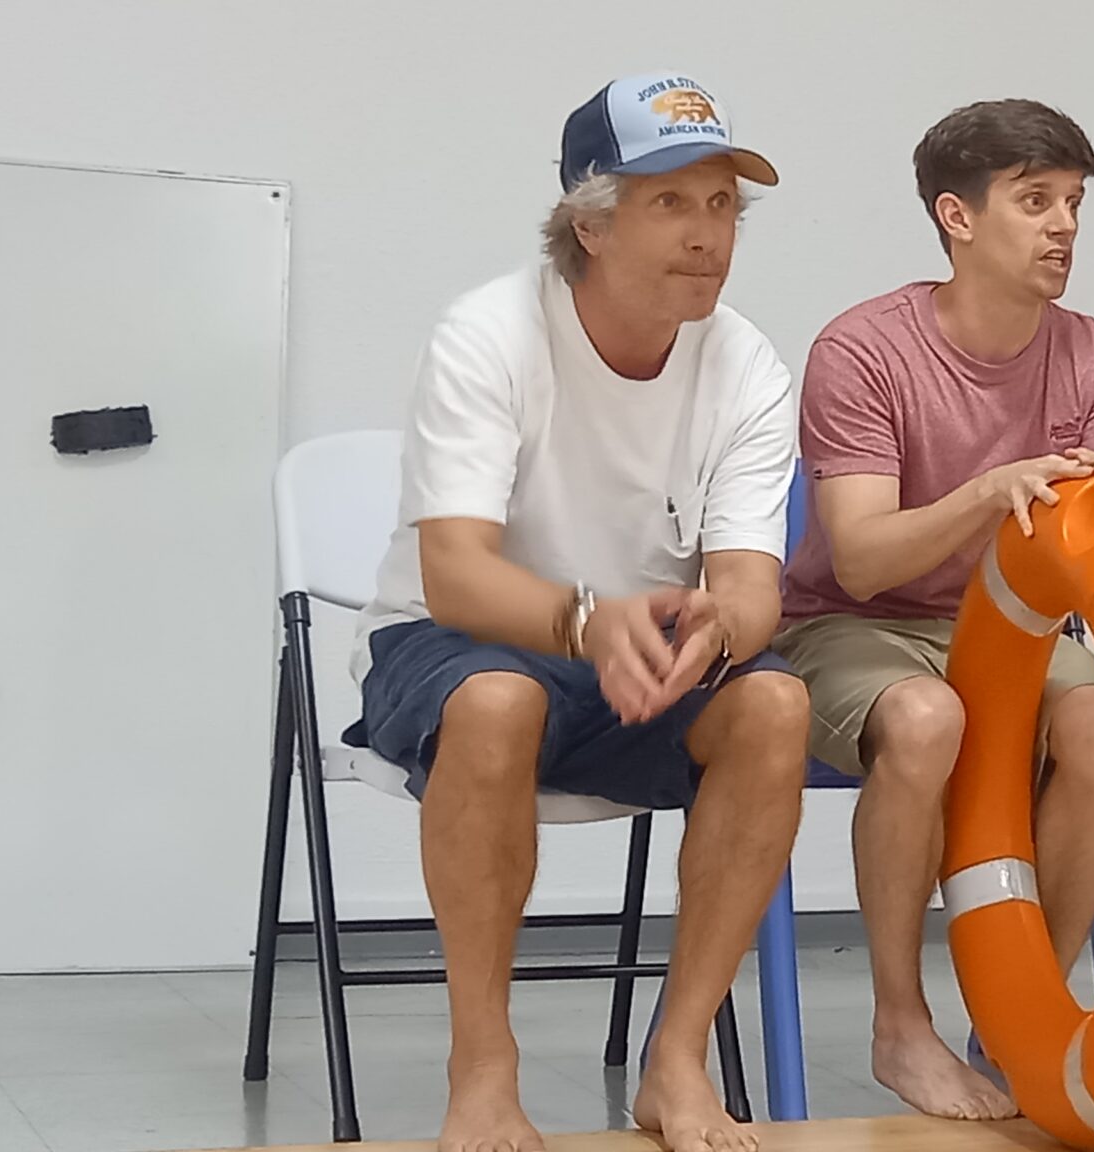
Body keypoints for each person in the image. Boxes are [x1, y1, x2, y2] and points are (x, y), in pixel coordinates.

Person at [344, 72, 807, 1152]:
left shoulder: (745, 360)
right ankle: (483, 1067)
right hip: (460, 644)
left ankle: (677, 1061)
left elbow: (751, 587)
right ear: (589, 223)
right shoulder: (488, 332)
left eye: (722, 205)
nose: (707, 235)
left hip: (636, 657)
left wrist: (720, 629)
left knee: (775, 707)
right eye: (670, 202)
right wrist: (591, 621)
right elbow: (456, 575)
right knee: (498, 701)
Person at [772, 98, 1094, 1121]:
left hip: (1015, 629)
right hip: (852, 626)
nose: (1063, 226)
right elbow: (859, 562)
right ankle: (900, 1026)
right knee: (925, 719)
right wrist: (988, 494)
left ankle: (1019, 1013)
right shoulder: (864, 349)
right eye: (1035, 201)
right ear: (958, 216)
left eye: (1073, 202)